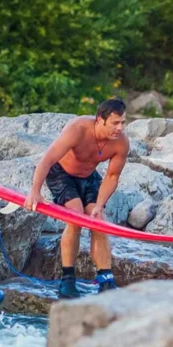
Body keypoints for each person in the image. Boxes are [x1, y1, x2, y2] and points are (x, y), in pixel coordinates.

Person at [23, 98, 129, 299]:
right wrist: (35, 191)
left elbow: (112, 176)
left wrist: (99, 205)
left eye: (123, 123)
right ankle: (68, 279)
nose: (120, 128)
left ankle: (106, 279)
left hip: (88, 177)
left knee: (98, 221)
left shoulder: (121, 142)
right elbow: (48, 159)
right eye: (115, 123)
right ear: (100, 120)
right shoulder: (78, 129)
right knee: (76, 217)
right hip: (61, 174)